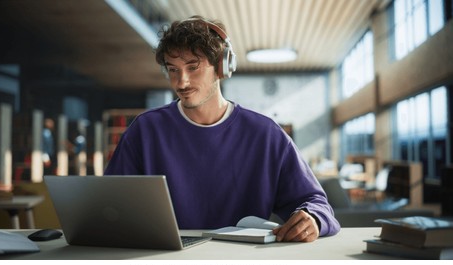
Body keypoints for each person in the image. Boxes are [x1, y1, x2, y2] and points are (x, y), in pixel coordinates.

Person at [105, 15, 340, 242]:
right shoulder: (145, 131)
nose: (181, 82)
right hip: (164, 259)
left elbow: (317, 203)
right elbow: (109, 204)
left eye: (192, 67)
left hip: (244, 260)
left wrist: (314, 220)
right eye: (173, 69)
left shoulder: (265, 134)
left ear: (221, 67)